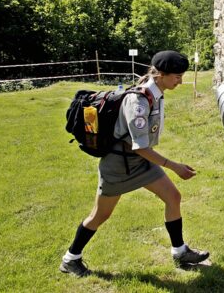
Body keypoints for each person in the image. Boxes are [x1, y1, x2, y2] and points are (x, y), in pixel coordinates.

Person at [60, 51, 209, 277]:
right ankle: (71, 259)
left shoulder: (156, 93)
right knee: (100, 215)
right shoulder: (138, 101)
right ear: (160, 75)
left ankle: (180, 252)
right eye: (176, 76)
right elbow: (140, 146)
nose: (180, 80)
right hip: (119, 166)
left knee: (173, 197)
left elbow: (141, 148)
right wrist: (174, 166)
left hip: (140, 162)